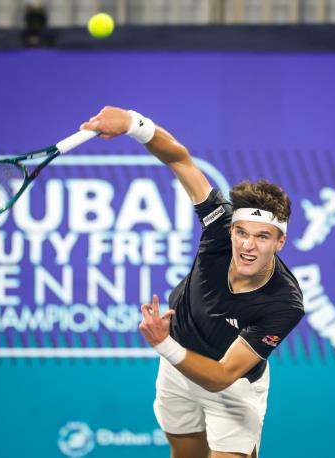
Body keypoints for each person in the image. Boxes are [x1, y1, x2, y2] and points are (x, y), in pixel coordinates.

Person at [81, 107, 304, 458]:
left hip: (233, 388)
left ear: (280, 242)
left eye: (262, 237)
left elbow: (221, 376)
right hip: (177, 371)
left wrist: (163, 344)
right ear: (231, 229)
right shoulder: (218, 226)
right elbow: (180, 159)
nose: (247, 246)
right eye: (241, 232)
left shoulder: (284, 303)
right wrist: (132, 123)